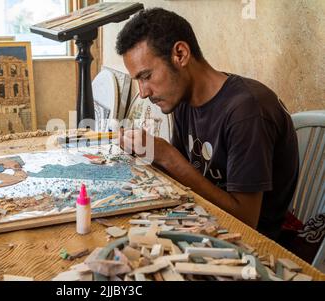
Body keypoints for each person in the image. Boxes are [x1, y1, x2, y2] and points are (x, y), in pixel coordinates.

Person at [116, 8, 299, 240]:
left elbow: (247, 222)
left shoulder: (247, 111)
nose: (143, 93)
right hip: (202, 221)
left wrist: (167, 156)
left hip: (252, 244)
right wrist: (146, 153)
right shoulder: (181, 100)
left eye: (146, 76)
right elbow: (180, 176)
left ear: (180, 54)